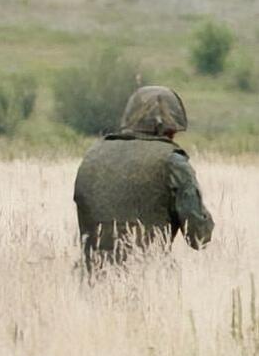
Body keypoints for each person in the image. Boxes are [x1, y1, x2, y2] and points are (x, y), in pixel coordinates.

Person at [73, 85, 214, 268]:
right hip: (148, 277)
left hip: (90, 276)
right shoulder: (172, 161)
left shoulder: (94, 154)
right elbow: (199, 237)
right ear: (172, 128)